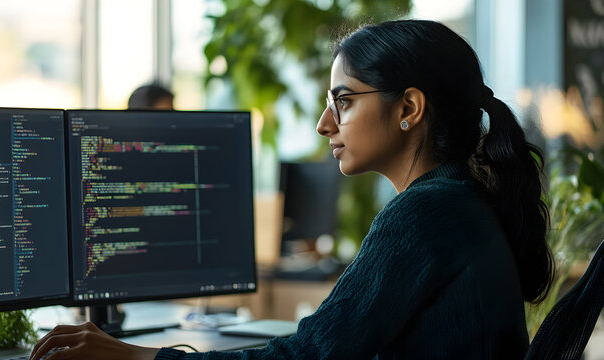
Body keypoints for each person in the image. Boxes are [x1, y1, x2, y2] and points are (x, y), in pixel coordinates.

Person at [30, 19, 554, 360]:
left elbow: (309, 358)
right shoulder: (458, 200)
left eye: (344, 101)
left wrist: (136, 355)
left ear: (408, 109)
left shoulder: (426, 213)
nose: (326, 124)